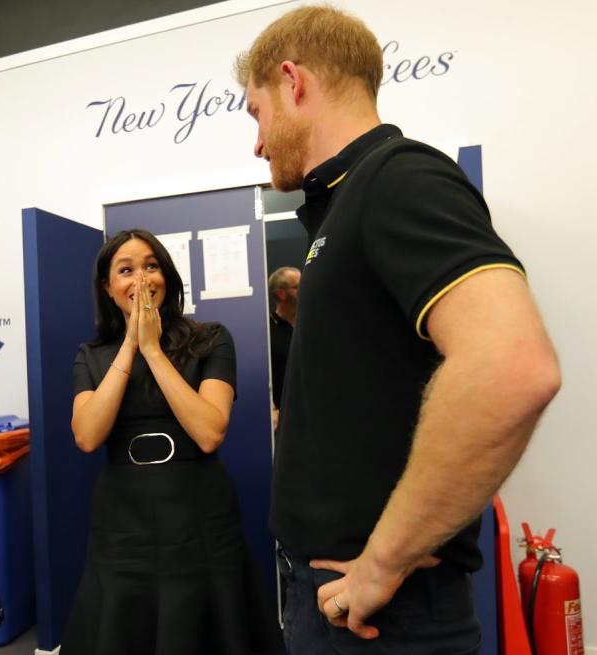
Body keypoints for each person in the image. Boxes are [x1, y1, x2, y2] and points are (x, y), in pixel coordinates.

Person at [236, 6, 560, 653]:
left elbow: (513, 366)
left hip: (382, 618)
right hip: (336, 600)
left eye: (256, 112)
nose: (258, 140)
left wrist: (383, 561)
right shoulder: (344, 206)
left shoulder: (397, 177)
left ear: (292, 81)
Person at [60, 229, 280, 655]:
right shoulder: (91, 356)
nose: (140, 279)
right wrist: (130, 345)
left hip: (198, 507)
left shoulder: (211, 338)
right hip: (124, 515)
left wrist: (154, 351)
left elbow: (209, 431)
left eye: (151, 266)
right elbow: (87, 436)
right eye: (125, 270)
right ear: (109, 288)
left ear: (168, 277)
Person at [266, 266, 299, 425]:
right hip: (284, 418)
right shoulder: (266, 330)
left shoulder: (310, 324)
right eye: (298, 287)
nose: (304, 290)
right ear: (281, 293)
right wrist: (271, 409)